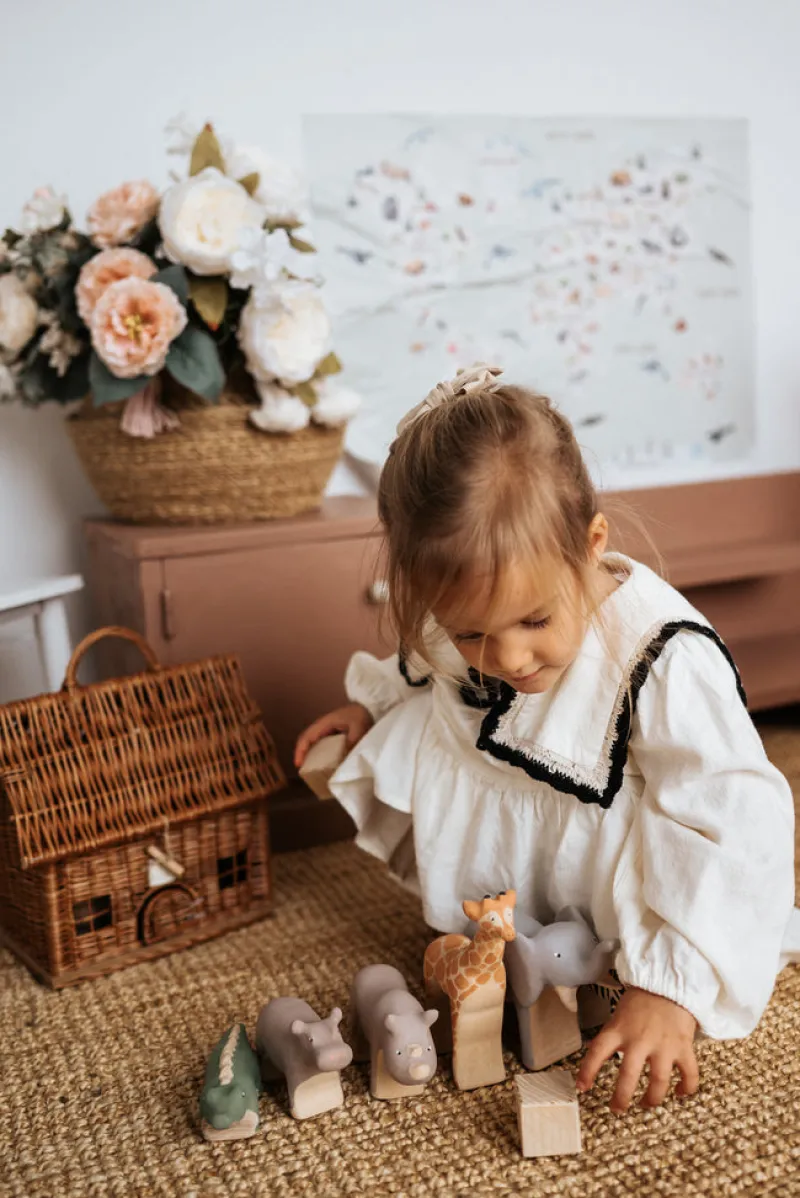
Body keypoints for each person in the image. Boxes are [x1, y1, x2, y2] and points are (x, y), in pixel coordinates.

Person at [295, 364, 799, 1112]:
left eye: (534, 620)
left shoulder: (660, 658)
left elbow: (731, 817)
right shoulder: (462, 612)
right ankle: (523, 954)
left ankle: (649, 974)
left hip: (624, 857)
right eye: (472, 632)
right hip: (514, 835)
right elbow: (424, 663)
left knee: (692, 872)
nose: (508, 657)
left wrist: (672, 987)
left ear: (591, 544)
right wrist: (370, 709)